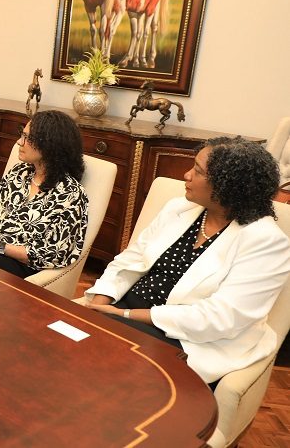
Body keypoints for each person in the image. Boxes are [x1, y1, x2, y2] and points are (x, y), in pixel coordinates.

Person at [83, 137, 290, 387]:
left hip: (186, 337)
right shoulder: (179, 209)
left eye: (198, 171)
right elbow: (131, 258)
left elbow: (220, 318)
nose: (186, 175)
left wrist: (124, 315)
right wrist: (99, 305)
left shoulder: (265, 241)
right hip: (124, 309)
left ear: (228, 186)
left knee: (96, 360)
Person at [0, 110, 88, 278]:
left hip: (20, 267)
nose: (19, 142)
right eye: (21, 135)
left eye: (27, 138)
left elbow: (54, 255)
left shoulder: (71, 194)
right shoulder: (19, 173)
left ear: (49, 145)